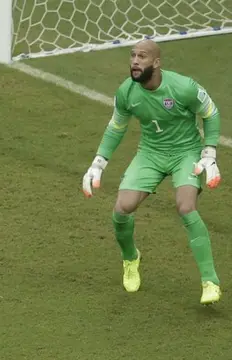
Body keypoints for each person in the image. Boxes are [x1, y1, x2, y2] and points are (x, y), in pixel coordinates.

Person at [82, 39, 222, 305]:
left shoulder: (183, 87)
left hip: (185, 152)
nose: (135, 61)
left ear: (156, 63)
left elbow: (211, 114)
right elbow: (116, 127)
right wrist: (98, 163)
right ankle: (131, 258)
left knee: (186, 206)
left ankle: (210, 281)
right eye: (133, 55)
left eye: (142, 56)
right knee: (122, 208)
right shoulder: (126, 92)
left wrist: (209, 152)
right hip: (150, 154)